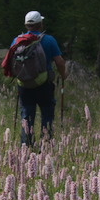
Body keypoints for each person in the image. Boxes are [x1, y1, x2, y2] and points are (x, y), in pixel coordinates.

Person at [14, 10, 66, 146]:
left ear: (26, 25)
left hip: (24, 85)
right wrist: (63, 75)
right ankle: (46, 148)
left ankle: (26, 149)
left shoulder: (17, 40)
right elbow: (59, 62)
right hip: (44, 84)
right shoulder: (48, 40)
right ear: (40, 24)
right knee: (47, 115)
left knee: (26, 117)